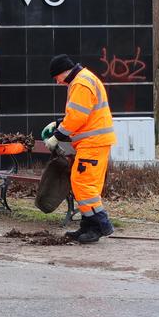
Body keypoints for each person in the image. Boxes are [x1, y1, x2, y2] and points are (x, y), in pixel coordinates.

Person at [41, 54, 116, 243]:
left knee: (83, 184)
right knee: (86, 185)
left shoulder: (80, 83)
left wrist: (56, 136)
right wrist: (58, 124)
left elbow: (77, 117)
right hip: (94, 142)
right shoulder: (84, 78)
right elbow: (83, 114)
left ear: (63, 72)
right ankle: (88, 228)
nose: (57, 82)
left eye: (56, 78)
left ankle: (101, 224)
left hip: (92, 143)